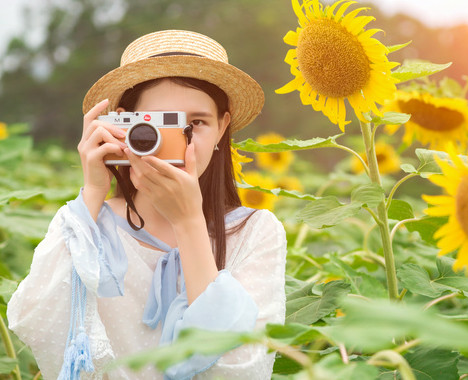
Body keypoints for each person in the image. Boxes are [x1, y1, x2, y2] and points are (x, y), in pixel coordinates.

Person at [7, 30, 287, 380]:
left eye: (195, 123)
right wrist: (93, 190)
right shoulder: (88, 225)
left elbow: (241, 369)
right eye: (158, 124)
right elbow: (36, 325)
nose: (178, 142)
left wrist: (189, 224)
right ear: (122, 123)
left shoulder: (255, 233)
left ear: (222, 128)